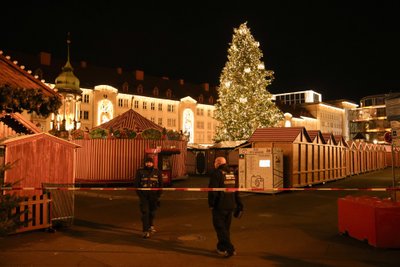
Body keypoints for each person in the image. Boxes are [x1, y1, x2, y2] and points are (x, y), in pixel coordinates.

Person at [208, 156, 243, 257]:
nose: (214, 164)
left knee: (220, 228)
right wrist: (239, 204)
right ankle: (221, 247)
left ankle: (230, 249)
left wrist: (211, 204)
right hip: (230, 205)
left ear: (218, 163)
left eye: (215, 162)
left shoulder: (217, 173)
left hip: (219, 206)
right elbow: (236, 191)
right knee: (225, 229)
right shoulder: (231, 174)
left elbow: (212, 191)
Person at [134, 157, 163, 238]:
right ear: (145, 163)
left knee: (152, 212)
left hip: (154, 196)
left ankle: (151, 225)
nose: (148, 164)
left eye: (150, 162)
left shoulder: (157, 172)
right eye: (147, 162)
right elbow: (136, 184)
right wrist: (140, 195)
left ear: (153, 163)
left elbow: (161, 184)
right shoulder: (140, 171)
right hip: (144, 196)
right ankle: (145, 231)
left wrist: (158, 195)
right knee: (145, 213)